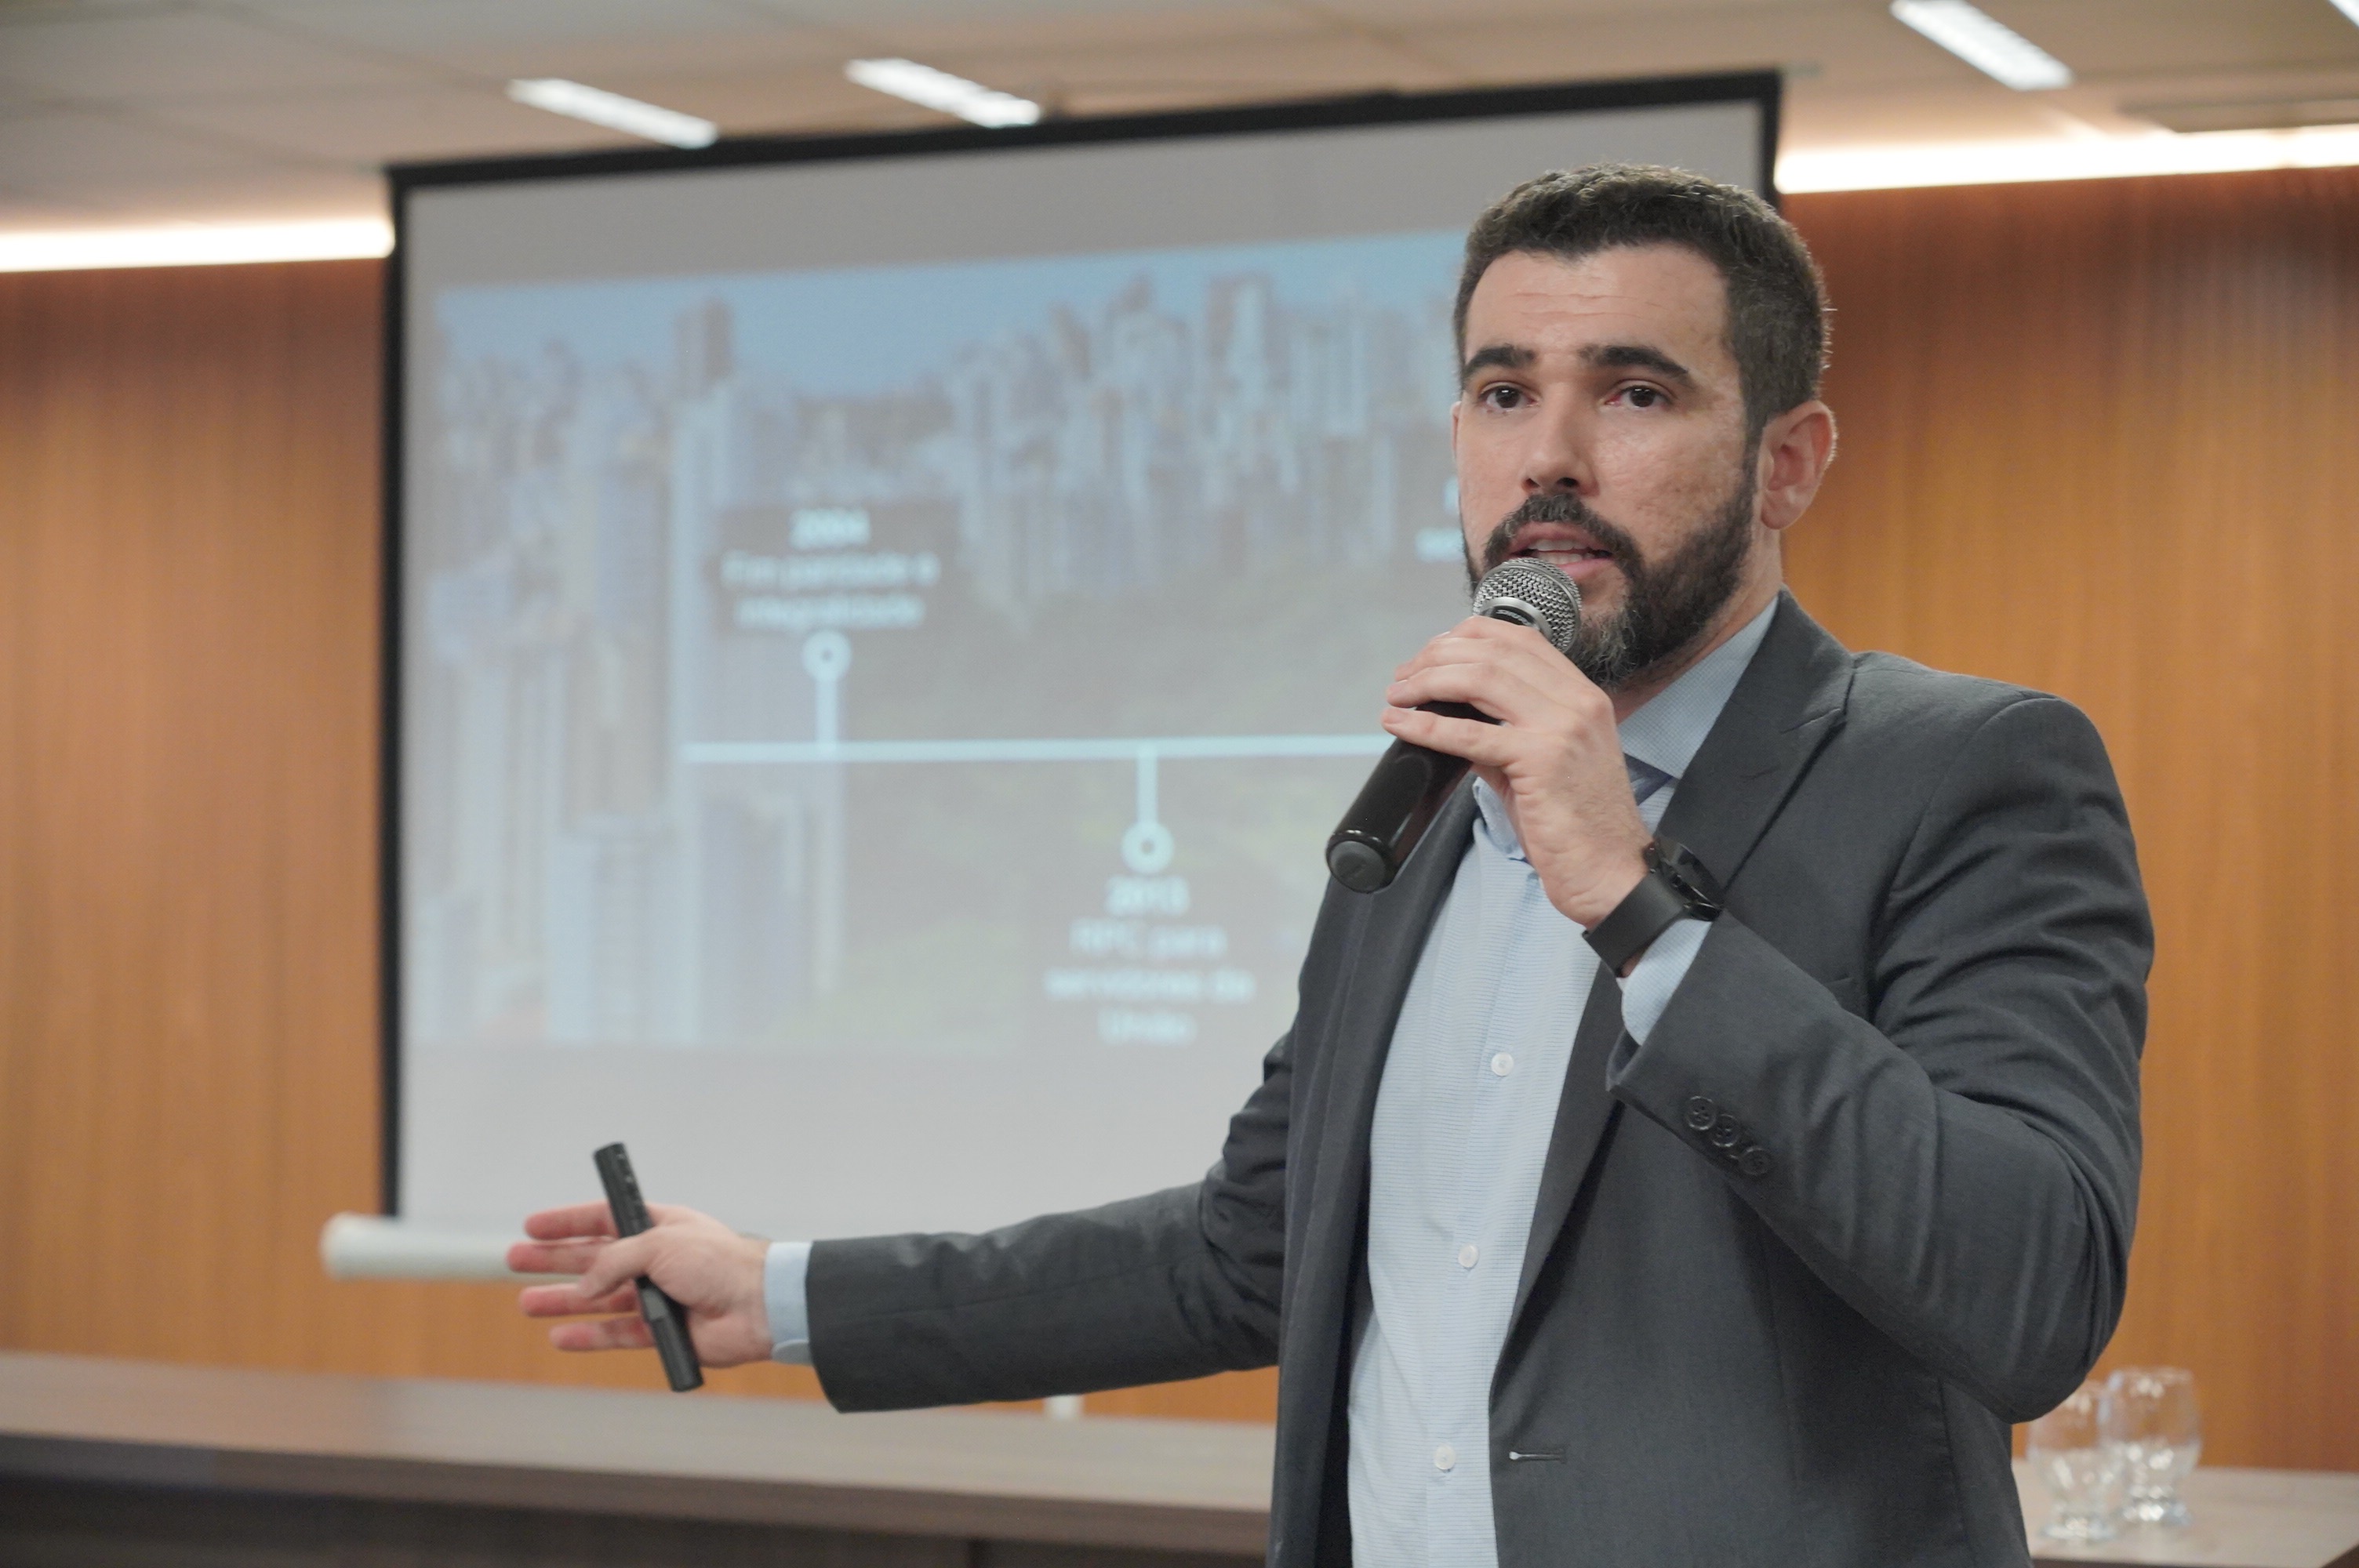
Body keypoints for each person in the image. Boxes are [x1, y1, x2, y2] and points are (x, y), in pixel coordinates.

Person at [511, 164, 2149, 1568]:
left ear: (1788, 460)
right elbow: (1246, 1251)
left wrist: (1640, 907)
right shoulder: (1424, 813)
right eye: (1503, 393)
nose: (1551, 456)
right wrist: (783, 1295)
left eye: (1634, 394)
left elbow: (2032, 1290)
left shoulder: (1966, 773)